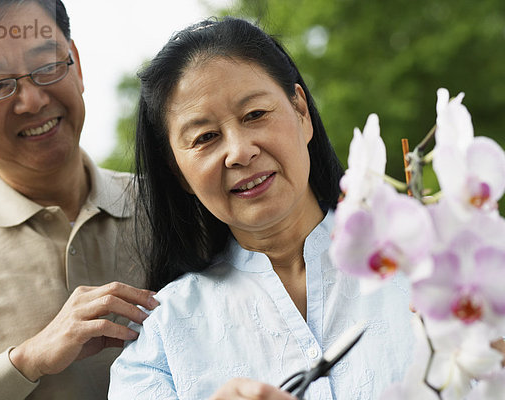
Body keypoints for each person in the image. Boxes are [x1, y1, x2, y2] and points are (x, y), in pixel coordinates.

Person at [109, 17, 416, 399]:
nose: (239, 151)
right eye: (205, 137)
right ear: (179, 172)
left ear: (301, 112)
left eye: (255, 114)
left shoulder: (427, 253)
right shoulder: (158, 342)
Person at [0, 0, 157, 398]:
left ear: (76, 62)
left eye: (47, 67)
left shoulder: (169, 204)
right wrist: (25, 361)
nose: (33, 101)